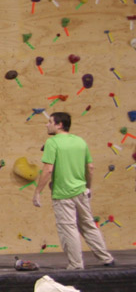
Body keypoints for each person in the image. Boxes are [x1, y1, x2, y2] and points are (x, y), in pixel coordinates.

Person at [33, 112, 114, 269]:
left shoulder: (52, 142)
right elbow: (90, 167)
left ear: (59, 125)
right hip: (81, 191)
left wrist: (38, 192)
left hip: (63, 195)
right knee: (88, 225)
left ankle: (76, 264)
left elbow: (48, 169)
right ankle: (106, 258)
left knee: (68, 228)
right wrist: (88, 187)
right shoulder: (80, 141)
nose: (46, 125)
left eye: (49, 122)